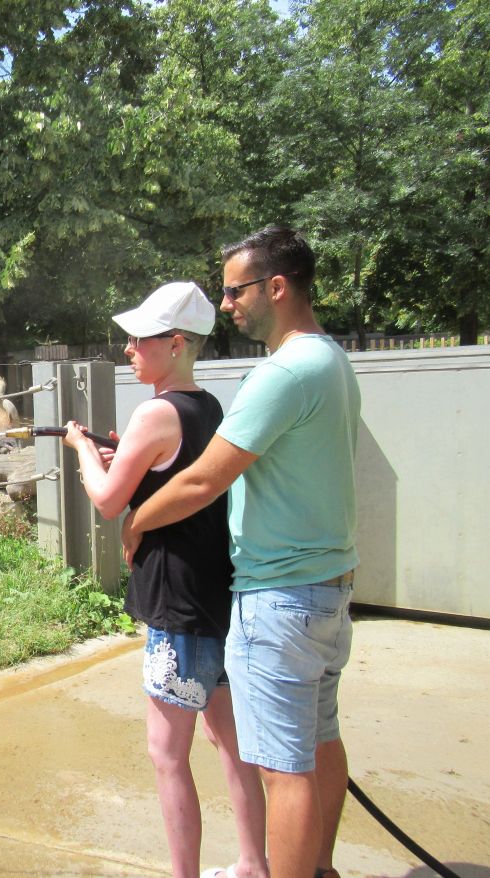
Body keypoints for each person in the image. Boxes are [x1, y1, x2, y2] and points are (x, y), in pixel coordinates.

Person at [121, 228, 360, 878]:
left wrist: (137, 517)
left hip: (280, 600)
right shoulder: (332, 361)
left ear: (275, 287)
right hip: (327, 593)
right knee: (320, 744)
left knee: (284, 770)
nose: (226, 304)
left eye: (235, 290)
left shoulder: (282, 373)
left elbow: (201, 479)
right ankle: (321, 869)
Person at [60, 281, 268, 878]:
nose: (127, 348)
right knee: (231, 744)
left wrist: (80, 446)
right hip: (217, 595)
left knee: (167, 754)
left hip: (176, 606)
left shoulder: (154, 412)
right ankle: (253, 864)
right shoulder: (209, 409)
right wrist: (124, 455)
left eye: (138, 339)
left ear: (175, 343)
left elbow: (105, 502)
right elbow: (166, 473)